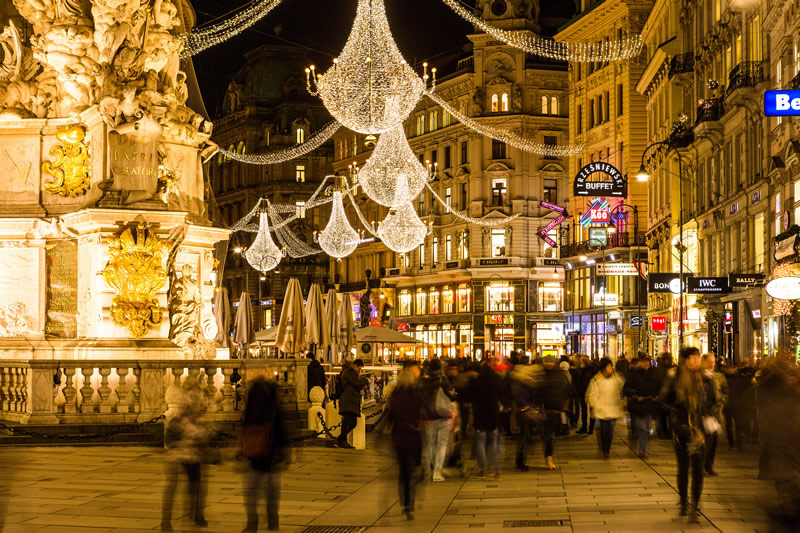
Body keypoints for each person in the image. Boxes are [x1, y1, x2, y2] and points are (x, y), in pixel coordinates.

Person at [661, 347, 719, 521]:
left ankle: (695, 503)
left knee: (698, 468)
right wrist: (677, 412)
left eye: (697, 357)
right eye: (691, 358)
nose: (695, 361)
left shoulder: (707, 379)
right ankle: (683, 501)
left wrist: (708, 411)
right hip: (681, 428)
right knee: (683, 467)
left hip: (700, 429)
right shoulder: (675, 378)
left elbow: (714, 401)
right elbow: (663, 401)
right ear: (685, 360)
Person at [161, 377, 215, 531]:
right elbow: (190, 421)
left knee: (181, 484)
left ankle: (178, 517)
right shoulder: (192, 400)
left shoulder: (187, 400)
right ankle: (194, 514)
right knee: (193, 483)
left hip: (185, 450)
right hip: (187, 449)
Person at [241, 372, 288, 532]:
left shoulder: (254, 404)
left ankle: (252, 521)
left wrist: (241, 447)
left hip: (256, 451)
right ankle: (272, 518)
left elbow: (246, 424)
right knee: (272, 487)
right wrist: (285, 451)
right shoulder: (274, 404)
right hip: (272, 450)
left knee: (252, 488)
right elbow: (282, 427)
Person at [386, 365, 423, 520]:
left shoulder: (395, 396)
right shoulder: (416, 396)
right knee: (411, 472)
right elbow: (422, 412)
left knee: (403, 473)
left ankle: (404, 502)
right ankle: (410, 504)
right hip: (414, 437)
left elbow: (390, 418)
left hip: (399, 438)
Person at [417, 358, 456, 481]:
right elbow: (451, 395)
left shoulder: (423, 380)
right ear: (439, 367)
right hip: (443, 415)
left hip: (428, 417)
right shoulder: (442, 379)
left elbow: (418, 397)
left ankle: (429, 468)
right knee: (442, 444)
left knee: (430, 444)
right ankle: (437, 472)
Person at [467, 359, 503, 478]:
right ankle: (495, 468)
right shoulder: (496, 380)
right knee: (493, 442)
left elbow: (470, 397)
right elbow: (503, 395)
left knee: (480, 442)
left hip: (480, 415)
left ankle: (483, 468)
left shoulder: (477, 382)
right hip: (493, 414)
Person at [623, 356, 663, 458]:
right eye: (643, 362)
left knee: (646, 427)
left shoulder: (654, 373)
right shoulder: (634, 373)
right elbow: (626, 388)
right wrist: (635, 395)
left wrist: (657, 396)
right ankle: (643, 449)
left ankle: (643, 448)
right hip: (638, 404)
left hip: (649, 404)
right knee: (642, 427)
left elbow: (659, 386)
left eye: (647, 362)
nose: (646, 364)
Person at [586, 358, 624, 459]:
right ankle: (604, 449)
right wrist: (598, 406)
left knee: (609, 431)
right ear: (603, 368)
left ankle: (606, 449)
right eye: (608, 366)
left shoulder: (616, 379)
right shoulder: (596, 380)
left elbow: (622, 390)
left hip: (613, 409)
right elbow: (592, 395)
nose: (610, 368)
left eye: (611, 366)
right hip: (602, 410)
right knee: (604, 430)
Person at [538, 355, 571, 468]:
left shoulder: (555, 375)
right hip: (548, 410)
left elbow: (566, 391)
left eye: (550, 362)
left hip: (553, 410)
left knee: (549, 435)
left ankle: (548, 458)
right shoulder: (556, 375)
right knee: (549, 435)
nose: (548, 364)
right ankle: (549, 459)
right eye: (546, 362)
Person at [510, 358, 542, 471]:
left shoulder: (526, 383)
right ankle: (520, 462)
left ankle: (521, 460)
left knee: (525, 437)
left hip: (526, 412)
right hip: (523, 413)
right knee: (524, 437)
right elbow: (521, 399)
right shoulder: (522, 383)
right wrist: (530, 407)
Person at [702, 353, 727, 476]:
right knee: (704, 441)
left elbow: (725, 391)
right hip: (702, 414)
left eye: (713, 361)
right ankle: (701, 465)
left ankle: (709, 465)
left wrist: (721, 401)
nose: (712, 364)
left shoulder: (718, 376)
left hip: (715, 414)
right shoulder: (698, 376)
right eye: (710, 362)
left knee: (713, 441)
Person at [337, 359, 369, 449]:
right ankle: (342, 441)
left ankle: (341, 439)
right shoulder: (349, 372)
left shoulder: (352, 373)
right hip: (348, 400)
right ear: (355, 365)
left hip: (351, 401)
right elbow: (356, 383)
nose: (360, 370)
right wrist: (366, 380)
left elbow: (356, 383)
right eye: (359, 368)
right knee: (347, 421)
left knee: (352, 422)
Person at [655, 353, 675, 439]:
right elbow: (656, 382)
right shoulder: (659, 369)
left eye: (668, 360)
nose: (667, 361)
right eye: (666, 360)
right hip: (662, 397)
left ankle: (670, 432)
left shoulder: (673, 369)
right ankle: (663, 432)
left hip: (671, 397)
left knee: (671, 417)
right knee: (662, 417)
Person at [576, 356, 598, 434]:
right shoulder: (580, 370)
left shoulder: (591, 370)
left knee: (591, 410)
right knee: (584, 410)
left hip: (590, 393)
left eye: (581, 362)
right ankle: (584, 427)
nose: (580, 364)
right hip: (582, 393)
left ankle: (590, 428)